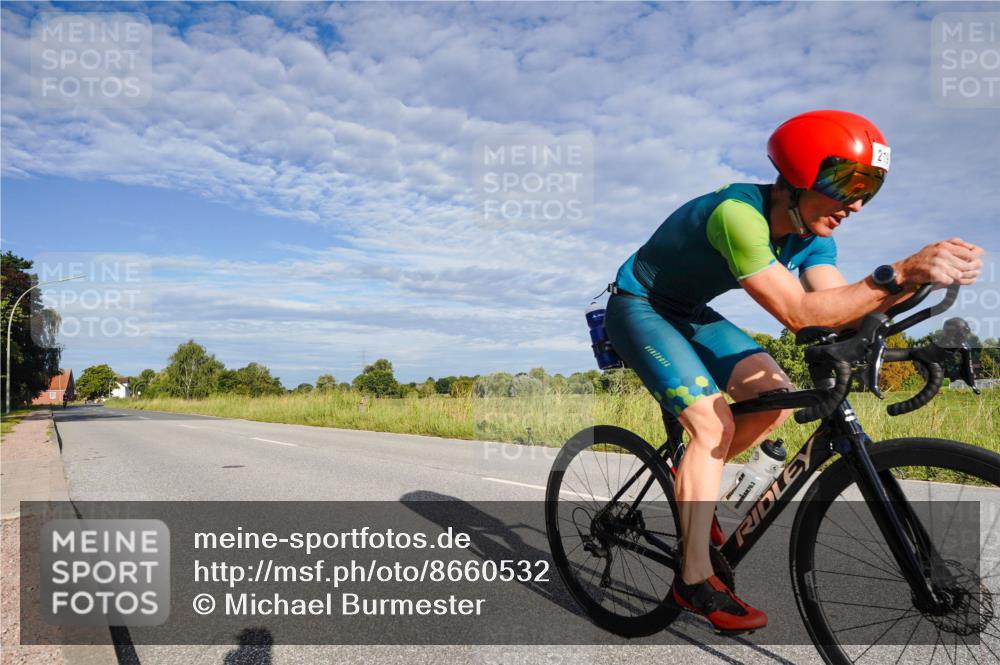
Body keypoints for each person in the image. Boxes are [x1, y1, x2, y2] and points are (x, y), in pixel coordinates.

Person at [604, 109, 984, 633]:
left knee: (774, 395)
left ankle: (691, 480)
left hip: (690, 312)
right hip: (640, 306)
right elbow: (799, 314)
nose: (855, 204)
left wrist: (910, 306)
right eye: (847, 184)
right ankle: (692, 580)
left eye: (868, 190)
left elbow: (836, 308)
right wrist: (901, 271)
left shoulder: (815, 233)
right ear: (800, 175)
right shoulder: (738, 215)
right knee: (712, 426)